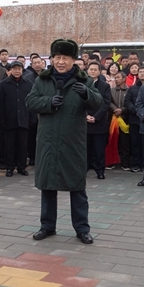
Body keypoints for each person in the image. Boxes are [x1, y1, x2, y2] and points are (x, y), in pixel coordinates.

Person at [26, 38, 102, 244]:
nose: (61, 62)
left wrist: (86, 94)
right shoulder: (42, 80)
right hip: (48, 141)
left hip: (73, 142)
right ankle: (47, 226)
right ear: (52, 59)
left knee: (77, 187)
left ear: (73, 60)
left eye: (65, 58)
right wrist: (48, 102)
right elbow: (30, 101)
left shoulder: (84, 80)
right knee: (48, 186)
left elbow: (98, 102)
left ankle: (82, 229)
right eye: (57, 57)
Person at [0, 60, 32, 177]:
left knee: (23, 146)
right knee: (9, 146)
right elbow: (1, 103)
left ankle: (21, 167)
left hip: (24, 119)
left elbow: (31, 102)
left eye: (19, 69)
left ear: (22, 70)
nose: (17, 71)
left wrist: (31, 119)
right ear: (10, 70)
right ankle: (9, 167)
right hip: (9, 120)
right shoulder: (4, 84)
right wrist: (1, 120)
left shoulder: (28, 84)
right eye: (15, 69)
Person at [84, 61, 112, 179]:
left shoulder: (105, 86)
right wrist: (86, 115)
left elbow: (106, 103)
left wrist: (96, 117)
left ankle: (100, 171)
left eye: (95, 69)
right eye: (91, 69)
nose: (93, 71)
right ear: (87, 70)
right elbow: (78, 102)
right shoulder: (82, 84)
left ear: (99, 71)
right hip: (84, 122)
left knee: (99, 149)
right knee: (84, 149)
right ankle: (83, 170)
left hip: (99, 122)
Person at [124, 65, 144, 172]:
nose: (142, 73)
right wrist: (136, 111)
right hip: (135, 119)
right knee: (135, 143)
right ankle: (136, 164)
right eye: (140, 72)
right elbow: (127, 102)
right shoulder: (132, 88)